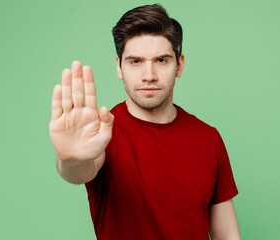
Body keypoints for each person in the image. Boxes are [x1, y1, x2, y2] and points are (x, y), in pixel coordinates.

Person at [49, 4, 241, 240]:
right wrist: (72, 158)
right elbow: (79, 171)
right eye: (135, 61)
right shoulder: (102, 132)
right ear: (119, 67)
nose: (149, 75)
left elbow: (228, 235)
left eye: (161, 60)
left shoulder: (208, 138)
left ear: (179, 65)